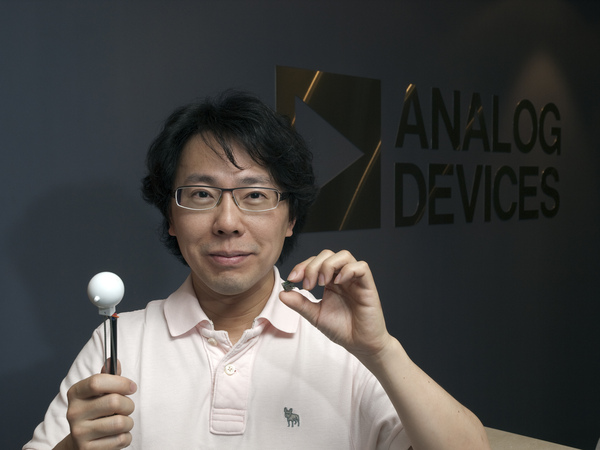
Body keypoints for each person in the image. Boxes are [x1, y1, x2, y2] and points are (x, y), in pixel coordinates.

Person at [24, 90, 490, 450]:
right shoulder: (120, 342)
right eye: (201, 194)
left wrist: (380, 350)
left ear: (290, 219)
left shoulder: (347, 346)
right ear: (171, 216)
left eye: (255, 195)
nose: (227, 222)